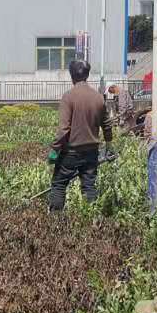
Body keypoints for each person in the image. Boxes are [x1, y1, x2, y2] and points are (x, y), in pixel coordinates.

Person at [48, 60, 112, 210]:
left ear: (72, 75)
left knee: (59, 185)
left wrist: (55, 149)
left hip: (71, 151)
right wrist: (109, 144)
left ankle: (55, 220)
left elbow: (64, 129)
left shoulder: (68, 97)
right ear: (87, 75)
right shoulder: (98, 97)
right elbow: (106, 124)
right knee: (89, 186)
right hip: (91, 151)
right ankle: (90, 218)